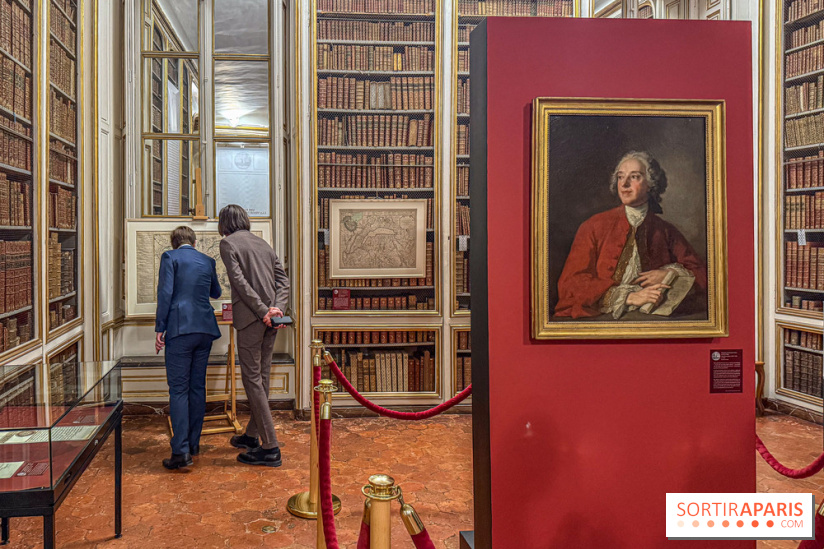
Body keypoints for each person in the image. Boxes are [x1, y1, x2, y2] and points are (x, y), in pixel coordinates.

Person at [554, 151, 707, 320]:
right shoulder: (593, 226)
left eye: (634, 177)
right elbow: (571, 283)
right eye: (620, 177)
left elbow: (702, 275)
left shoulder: (665, 230)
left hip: (653, 320)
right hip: (600, 317)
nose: (624, 184)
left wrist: (670, 274)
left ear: (650, 184)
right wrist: (628, 297)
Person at [218, 204, 290, 467]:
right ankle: (251, 435)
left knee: (252, 380)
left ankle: (270, 447)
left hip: (252, 320)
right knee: (262, 376)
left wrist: (263, 311)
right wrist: (276, 310)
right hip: (272, 319)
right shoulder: (263, 244)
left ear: (223, 224)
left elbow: (240, 283)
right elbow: (283, 282)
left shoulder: (228, 244)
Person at [155, 226, 222, 470]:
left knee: (179, 390)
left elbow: (165, 293)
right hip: (205, 329)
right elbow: (216, 292)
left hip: (180, 329)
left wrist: (160, 328)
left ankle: (181, 452)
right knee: (197, 387)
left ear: (174, 243)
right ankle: (193, 444)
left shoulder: (170, 257)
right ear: (194, 242)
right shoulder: (207, 260)